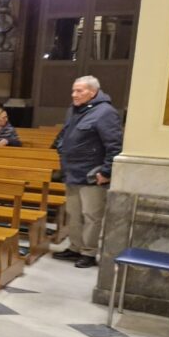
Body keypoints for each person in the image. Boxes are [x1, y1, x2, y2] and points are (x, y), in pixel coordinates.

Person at [52, 75, 123, 268]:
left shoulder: (105, 113)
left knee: (91, 215)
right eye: (73, 90)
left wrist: (106, 171)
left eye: (79, 91)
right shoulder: (74, 110)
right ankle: (75, 247)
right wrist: (60, 145)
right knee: (73, 213)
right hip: (72, 171)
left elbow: (114, 146)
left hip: (92, 174)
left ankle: (89, 252)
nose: (74, 94)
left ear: (92, 92)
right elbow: (66, 133)